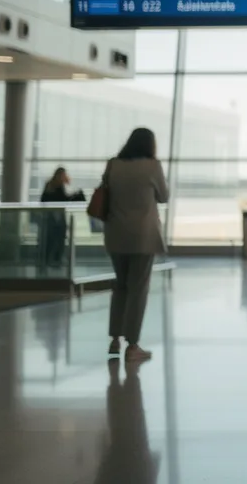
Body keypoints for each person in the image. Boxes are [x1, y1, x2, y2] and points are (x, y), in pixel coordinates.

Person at [102, 128, 168, 362]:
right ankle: (133, 345)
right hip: (142, 236)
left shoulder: (113, 165)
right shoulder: (152, 166)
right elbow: (164, 196)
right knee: (137, 289)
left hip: (116, 234)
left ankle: (114, 340)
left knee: (120, 287)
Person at [40, 167, 86, 266]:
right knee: (58, 239)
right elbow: (63, 199)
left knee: (52, 239)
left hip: (52, 217)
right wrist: (76, 195)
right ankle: (56, 259)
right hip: (56, 217)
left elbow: (49, 199)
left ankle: (49, 260)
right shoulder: (57, 186)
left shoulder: (50, 185)